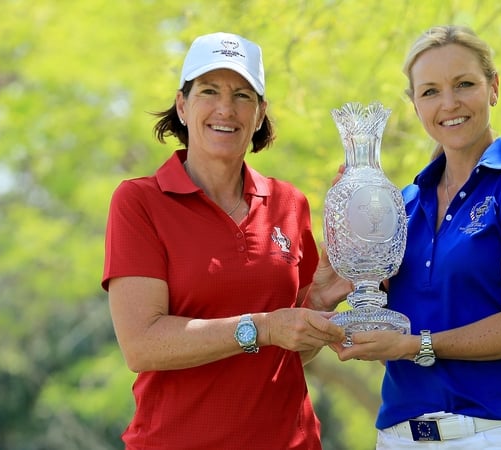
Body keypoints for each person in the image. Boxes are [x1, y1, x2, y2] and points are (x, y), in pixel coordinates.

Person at [101, 31, 350, 449]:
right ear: (182, 105)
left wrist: (320, 304)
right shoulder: (140, 201)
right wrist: (264, 327)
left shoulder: (289, 203)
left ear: (260, 113)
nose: (225, 108)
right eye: (209, 90)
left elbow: (290, 355)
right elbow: (142, 344)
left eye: (242, 95)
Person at [333, 25, 501, 449]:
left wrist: (415, 346)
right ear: (414, 104)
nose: (449, 104)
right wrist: (346, 235)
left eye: (464, 85)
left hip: (496, 435)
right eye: (430, 92)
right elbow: (376, 308)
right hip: (400, 437)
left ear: (493, 87)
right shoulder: (401, 204)